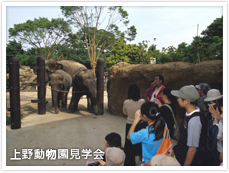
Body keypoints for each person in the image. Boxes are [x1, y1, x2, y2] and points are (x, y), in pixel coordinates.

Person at [171, 85, 207, 166]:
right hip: (182, 155)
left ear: (186, 102)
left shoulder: (194, 121)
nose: (177, 99)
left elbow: (192, 148)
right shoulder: (188, 113)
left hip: (189, 161)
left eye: (179, 98)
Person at [123, 83, 146, 166]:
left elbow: (125, 112)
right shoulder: (142, 101)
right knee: (140, 143)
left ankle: (130, 163)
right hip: (140, 125)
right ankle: (141, 162)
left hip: (129, 124)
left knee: (129, 145)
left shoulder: (126, 102)